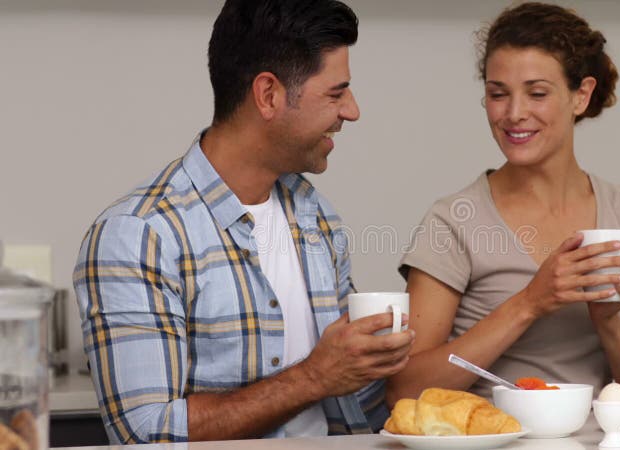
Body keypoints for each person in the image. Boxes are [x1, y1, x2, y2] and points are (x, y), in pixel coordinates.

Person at [73, 0, 414, 443]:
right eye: (336, 92)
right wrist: (314, 377)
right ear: (269, 94)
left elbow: (359, 400)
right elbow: (145, 433)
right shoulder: (138, 236)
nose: (352, 111)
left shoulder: (317, 217)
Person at [386, 2, 620, 405]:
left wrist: (607, 323)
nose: (514, 114)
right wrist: (529, 303)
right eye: (497, 94)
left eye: (537, 93)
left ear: (581, 95)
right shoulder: (453, 220)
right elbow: (405, 390)